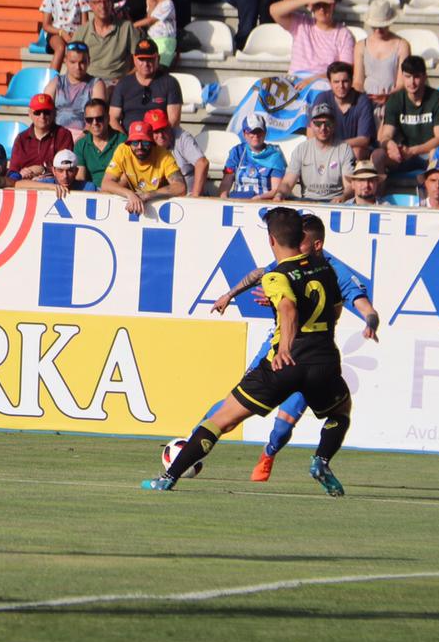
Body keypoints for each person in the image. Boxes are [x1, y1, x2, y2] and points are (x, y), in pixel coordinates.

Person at [145, 208, 350, 493]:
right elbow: (336, 310)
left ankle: (167, 479)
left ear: (271, 241)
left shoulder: (277, 276)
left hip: (284, 363)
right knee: (340, 412)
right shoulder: (326, 269)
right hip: (323, 363)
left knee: (221, 420)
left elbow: (288, 309)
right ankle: (321, 461)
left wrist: (285, 348)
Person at [378, 55, 439, 172]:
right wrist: (390, 144)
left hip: (429, 152)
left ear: (425, 76)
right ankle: (379, 190)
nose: (412, 82)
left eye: (416, 77)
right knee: (378, 156)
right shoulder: (395, 99)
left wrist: (413, 150)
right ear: (402, 77)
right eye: (408, 77)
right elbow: (386, 135)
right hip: (404, 154)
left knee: (435, 153)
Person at [101, 117, 186, 215]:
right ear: (129, 143)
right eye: (135, 142)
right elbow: (106, 183)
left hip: (158, 205)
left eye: (145, 142)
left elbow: (180, 187)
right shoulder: (123, 151)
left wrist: (148, 195)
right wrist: (129, 194)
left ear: (152, 143)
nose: (140, 147)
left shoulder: (164, 156)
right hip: (131, 202)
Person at [57, 0, 135, 85]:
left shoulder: (126, 28)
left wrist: (125, 80)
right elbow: (71, 62)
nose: (102, 6)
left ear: (112, 3)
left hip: (116, 83)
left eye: (106, 1)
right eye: (98, 2)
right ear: (90, 5)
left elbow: (139, 61)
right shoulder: (82, 32)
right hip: (88, 83)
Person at [279, 103, 353, 201]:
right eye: (318, 124)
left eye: (327, 124)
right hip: (307, 201)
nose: (323, 128)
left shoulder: (344, 149)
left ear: (334, 125)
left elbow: (349, 186)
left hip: (334, 202)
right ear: (311, 125)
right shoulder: (301, 149)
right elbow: (287, 183)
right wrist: (280, 194)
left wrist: (343, 197)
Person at [273, 0, 353, 77]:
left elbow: (345, 70)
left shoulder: (344, 34)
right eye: (318, 4)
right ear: (311, 6)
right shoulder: (301, 24)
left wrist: (312, 80)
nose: (322, 9)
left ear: (333, 6)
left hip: (322, 82)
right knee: (263, 85)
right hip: (294, 79)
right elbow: (274, 11)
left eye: (326, 4)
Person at [109, 37, 181, 130]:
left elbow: (173, 122)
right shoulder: (123, 84)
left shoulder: (170, 83)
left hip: (159, 140)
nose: (145, 64)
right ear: (134, 59)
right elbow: (113, 119)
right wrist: (126, 142)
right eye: (141, 59)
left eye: (150, 59)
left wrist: (158, 141)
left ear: (158, 59)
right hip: (129, 139)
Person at [310, 59, 376, 160]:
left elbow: (364, 139)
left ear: (352, 81)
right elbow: (311, 131)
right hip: (327, 149)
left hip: (355, 151)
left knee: (356, 151)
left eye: (345, 81)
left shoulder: (363, 101)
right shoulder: (322, 98)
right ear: (330, 82)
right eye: (336, 82)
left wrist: (335, 146)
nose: (341, 86)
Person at [8, 92, 73, 183]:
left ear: (54, 113)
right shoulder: (21, 139)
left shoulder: (63, 135)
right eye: (37, 112)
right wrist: (20, 174)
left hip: (55, 186)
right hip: (26, 185)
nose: (42, 116)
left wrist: (43, 170)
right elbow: (12, 172)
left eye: (46, 112)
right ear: (30, 113)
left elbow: (66, 168)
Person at [218, 113, 286, 199]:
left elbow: (276, 190)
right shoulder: (237, 152)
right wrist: (223, 198)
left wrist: (259, 198)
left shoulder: (275, 155)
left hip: (263, 201)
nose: (256, 136)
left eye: (259, 132)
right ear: (244, 134)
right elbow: (226, 182)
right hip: (237, 199)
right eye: (252, 132)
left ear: (265, 133)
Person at [71, 97, 121, 190]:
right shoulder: (81, 144)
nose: (95, 123)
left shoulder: (121, 141)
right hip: (92, 193)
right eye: (90, 119)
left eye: (100, 118)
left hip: (118, 192)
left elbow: (126, 177)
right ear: (85, 121)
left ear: (108, 118)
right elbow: (80, 177)